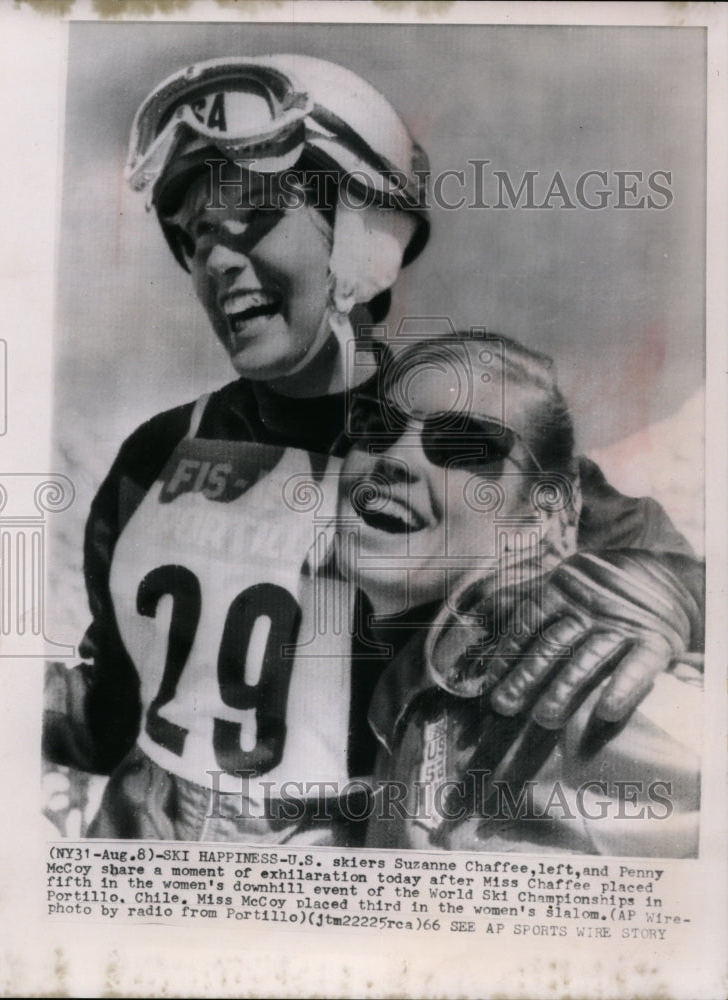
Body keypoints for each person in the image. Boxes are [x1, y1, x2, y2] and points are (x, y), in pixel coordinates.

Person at [43, 54, 703, 844]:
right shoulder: (157, 453)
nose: (215, 262)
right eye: (195, 237)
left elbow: (669, 578)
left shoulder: (455, 448)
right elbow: (114, 705)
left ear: (364, 241)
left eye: (253, 214)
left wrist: (662, 595)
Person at [335, 334, 701, 855]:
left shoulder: (587, 684)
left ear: (539, 509)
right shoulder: (412, 681)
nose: (395, 458)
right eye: (376, 427)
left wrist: (684, 593)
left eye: (464, 444)